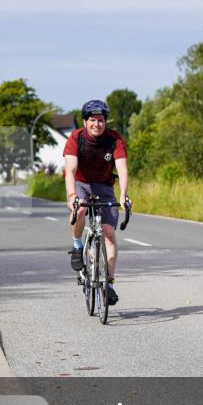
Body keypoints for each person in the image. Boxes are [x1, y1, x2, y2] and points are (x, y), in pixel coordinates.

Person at [64, 100, 130, 305]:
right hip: (81, 184)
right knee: (81, 211)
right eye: (92, 120)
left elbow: (122, 169)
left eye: (100, 120)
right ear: (85, 122)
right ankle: (77, 245)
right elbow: (70, 170)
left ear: (105, 122)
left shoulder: (114, 139)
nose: (97, 124)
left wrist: (124, 195)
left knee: (109, 233)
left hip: (104, 186)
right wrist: (73, 196)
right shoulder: (76, 138)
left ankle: (109, 284)